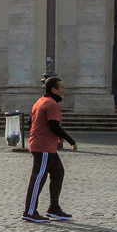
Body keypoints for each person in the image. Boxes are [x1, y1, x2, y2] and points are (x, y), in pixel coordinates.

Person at [21, 76, 78, 224]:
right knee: (38, 178)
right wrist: (71, 140)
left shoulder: (40, 102)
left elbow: (30, 123)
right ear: (54, 89)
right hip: (44, 147)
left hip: (45, 146)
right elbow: (54, 126)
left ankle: (54, 208)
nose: (64, 90)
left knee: (58, 172)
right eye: (62, 88)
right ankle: (29, 211)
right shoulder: (51, 104)